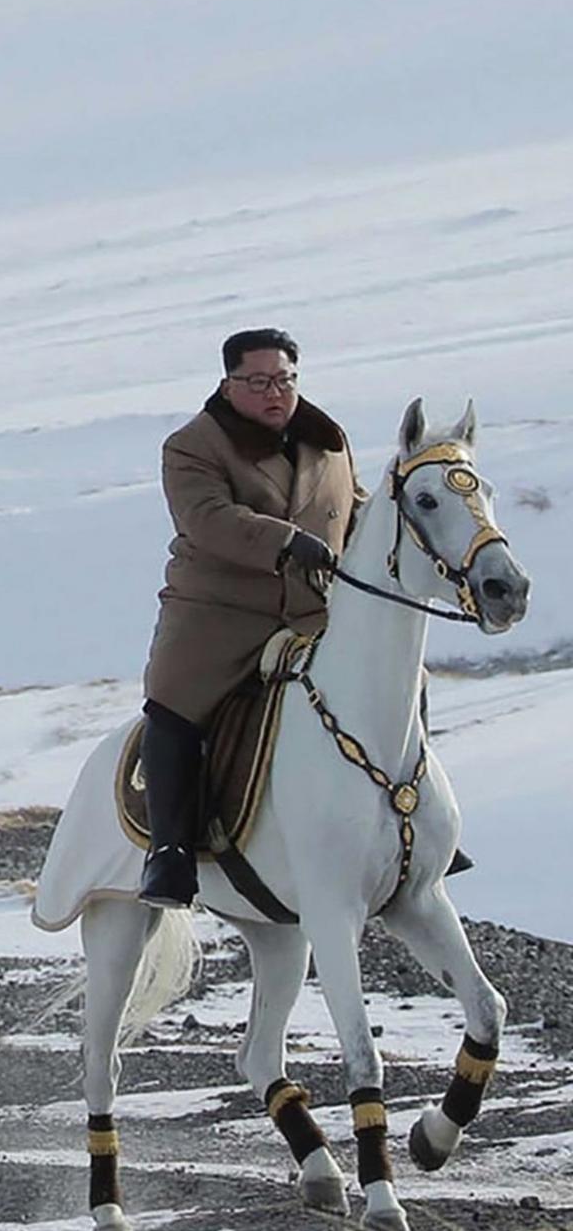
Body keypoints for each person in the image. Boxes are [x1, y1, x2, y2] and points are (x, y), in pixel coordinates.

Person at [136, 330, 357, 908]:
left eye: (283, 379)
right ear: (228, 384)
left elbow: (353, 510)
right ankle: (170, 853)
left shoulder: (327, 440)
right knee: (172, 701)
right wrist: (285, 540)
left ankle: (410, 812)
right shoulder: (192, 445)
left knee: (398, 679)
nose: (273, 393)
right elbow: (206, 518)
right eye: (258, 382)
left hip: (313, 610)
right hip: (220, 612)